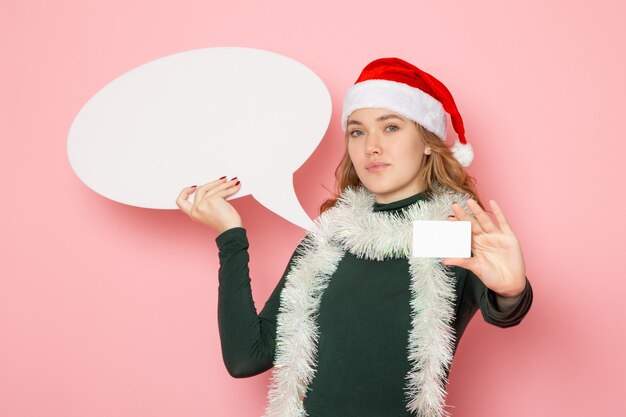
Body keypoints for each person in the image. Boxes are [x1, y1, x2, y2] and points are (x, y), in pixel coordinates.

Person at [176, 57, 533, 417]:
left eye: (390, 127)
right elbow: (247, 357)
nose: (371, 147)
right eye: (357, 131)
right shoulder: (331, 237)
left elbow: (502, 310)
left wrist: (511, 291)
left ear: (428, 141)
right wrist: (230, 236)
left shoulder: (447, 230)